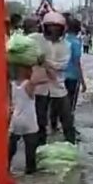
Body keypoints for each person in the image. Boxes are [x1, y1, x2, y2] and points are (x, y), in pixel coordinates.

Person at [32, 11, 75, 145]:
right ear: (44, 27)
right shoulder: (35, 39)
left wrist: (43, 62)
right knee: (40, 122)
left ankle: (71, 146)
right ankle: (39, 149)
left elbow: (61, 66)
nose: (53, 32)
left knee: (67, 120)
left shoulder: (66, 45)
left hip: (59, 87)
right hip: (39, 88)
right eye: (50, 28)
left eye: (57, 29)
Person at [9, 64, 48, 174]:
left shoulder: (12, 84)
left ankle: (6, 168)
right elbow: (44, 79)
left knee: (11, 147)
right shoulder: (29, 84)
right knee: (31, 150)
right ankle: (30, 171)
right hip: (29, 120)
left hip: (16, 119)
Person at [64, 18, 87, 112]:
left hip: (60, 76)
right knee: (70, 103)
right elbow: (76, 62)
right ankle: (67, 121)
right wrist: (82, 81)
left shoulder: (62, 40)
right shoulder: (76, 43)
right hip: (72, 77)